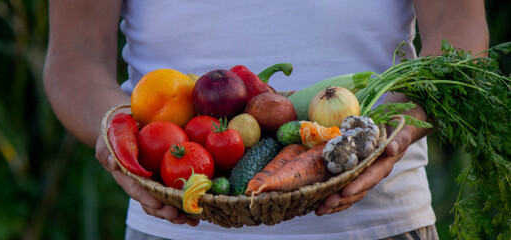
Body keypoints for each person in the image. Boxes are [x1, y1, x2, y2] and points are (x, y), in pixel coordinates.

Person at [43, 0, 488, 239]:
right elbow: (73, 54)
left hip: (379, 227)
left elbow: (459, 25)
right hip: (174, 228)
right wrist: (116, 136)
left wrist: (397, 125)